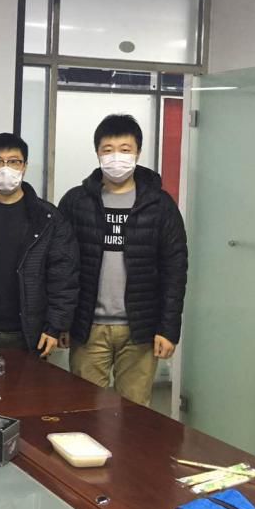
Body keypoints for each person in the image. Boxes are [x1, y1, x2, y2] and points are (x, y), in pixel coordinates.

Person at [58, 114, 187, 406]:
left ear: (138, 152)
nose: (116, 157)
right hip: (87, 327)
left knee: (135, 413)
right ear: (97, 153)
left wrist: (168, 329)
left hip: (140, 329)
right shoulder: (76, 202)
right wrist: (60, 322)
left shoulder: (160, 205)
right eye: (108, 149)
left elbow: (175, 270)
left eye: (125, 149)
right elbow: (61, 266)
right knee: (83, 409)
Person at [0, 132, 79, 355]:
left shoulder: (47, 217)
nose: (5, 168)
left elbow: (63, 275)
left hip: (30, 335)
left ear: (24, 166)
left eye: (14, 162)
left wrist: (55, 326)